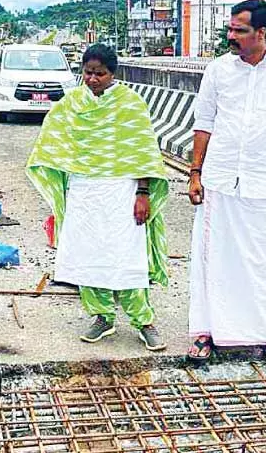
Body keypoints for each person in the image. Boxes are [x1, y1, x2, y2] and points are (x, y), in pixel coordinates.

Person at [187, 0, 266, 362]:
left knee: (262, 258)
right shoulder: (218, 71)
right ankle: (204, 331)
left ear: (262, 32)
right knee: (212, 257)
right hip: (221, 179)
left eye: (239, 31)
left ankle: (265, 331)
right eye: (230, 29)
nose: (231, 36)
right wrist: (195, 173)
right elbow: (204, 123)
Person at [26, 44, 169, 352]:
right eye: (87, 73)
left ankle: (143, 321)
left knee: (127, 256)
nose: (92, 80)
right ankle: (101, 316)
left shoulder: (131, 105)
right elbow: (51, 141)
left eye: (99, 74)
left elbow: (143, 153)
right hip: (84, 190)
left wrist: (143, 193)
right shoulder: (72, 103)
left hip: (122, 189)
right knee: (87, 254)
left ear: (113, 74)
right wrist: (59, 180)